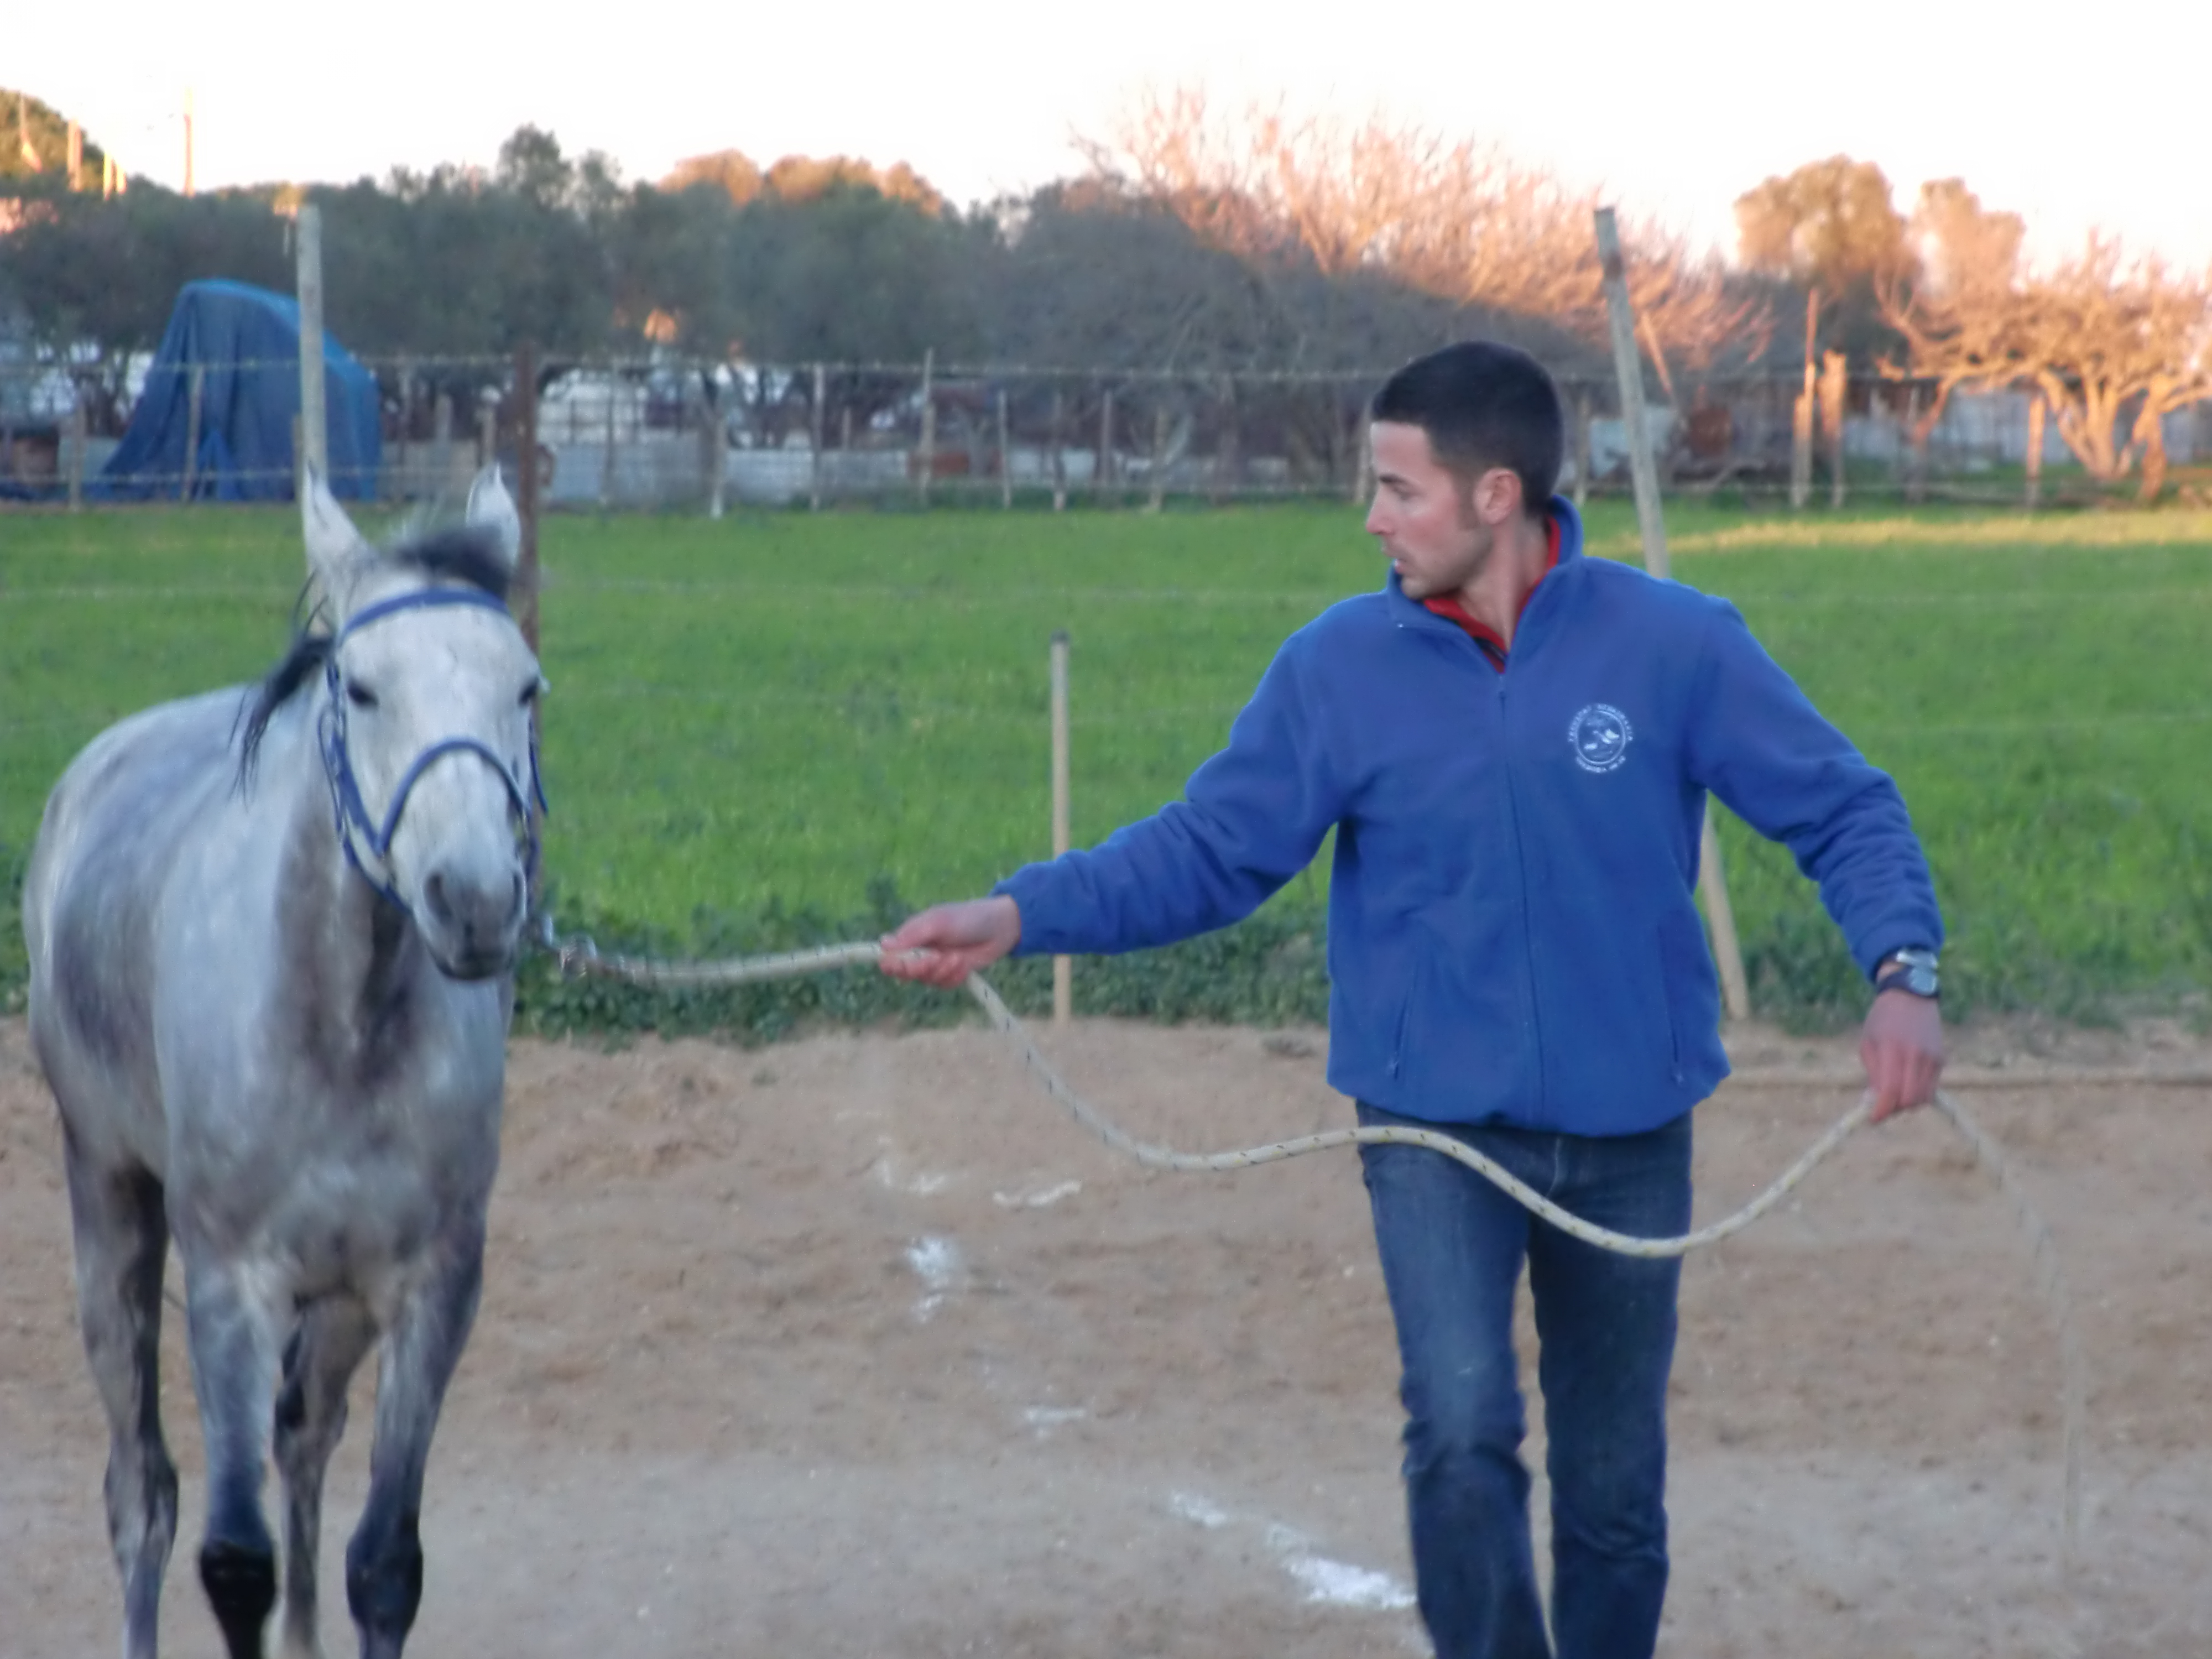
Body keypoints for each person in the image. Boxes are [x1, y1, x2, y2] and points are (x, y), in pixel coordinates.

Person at [878, 340, 1945, 1659]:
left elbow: (1845, 808)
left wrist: (1902, 972)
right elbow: (1210, 850)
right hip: (1430, 1132)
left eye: (1396, 488)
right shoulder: (1338, 668)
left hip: (1629, 1135)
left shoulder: (1674, 645)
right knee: (1457, 1428)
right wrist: (1017, 912)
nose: (1371, 518)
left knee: (1613, 1492)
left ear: (1495, 496)